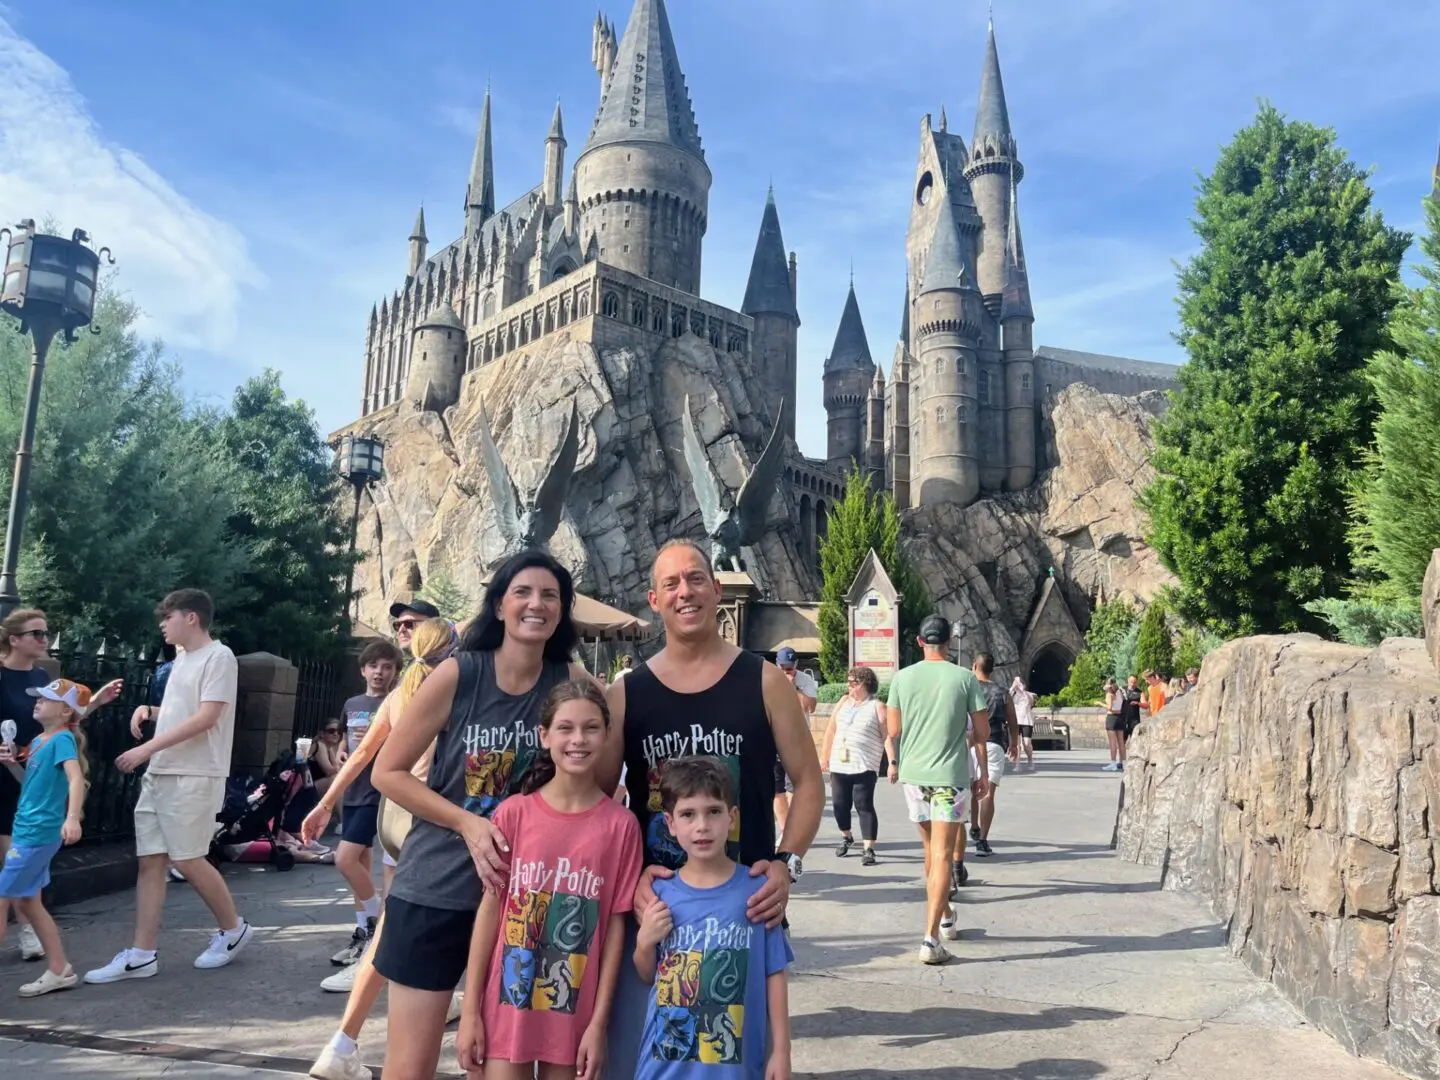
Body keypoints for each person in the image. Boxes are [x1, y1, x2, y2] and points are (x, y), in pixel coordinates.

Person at [599, 538, 821, 1079]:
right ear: (654, 599)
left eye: (696, 578)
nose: (685, 592)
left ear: (716, 590)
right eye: (671, 583)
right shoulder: (628, 694)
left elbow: (810, 783)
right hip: (657, 920)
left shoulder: (765, 681)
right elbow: (599, 807)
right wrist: (629, 879)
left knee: (736, 1061)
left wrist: (787, 864)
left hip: (744, 911)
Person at [371, 550, 589, 1080]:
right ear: (498, 606)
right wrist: (468, 823)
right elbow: (388, 772)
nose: (536, 604)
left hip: (521, 902)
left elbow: (598, 771)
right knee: (411, 1064)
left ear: (561, 613)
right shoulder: (459, 674)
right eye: (523, 593)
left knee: (490, 1064)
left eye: (549, 596)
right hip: (436, 888)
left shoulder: (568, 681)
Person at [455, 679, 642, 1080]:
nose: (579, 739)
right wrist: (470, 1012)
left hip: (574, 1019)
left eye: (592, 728)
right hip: (506, 1011)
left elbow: (613, 928)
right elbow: (490, 913)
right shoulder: (512, 815)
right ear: (544, 735)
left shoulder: (621, 827)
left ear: (607, 734)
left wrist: (598, 1024)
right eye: (566, 727)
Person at [305, 618, 459, 1080]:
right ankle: (351, 1041)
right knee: (411, 928)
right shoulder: (455, 688)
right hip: (431, 819)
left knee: (396, 923)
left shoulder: (399, 693)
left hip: (394, 817)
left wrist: (324, 804)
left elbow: (361, 754)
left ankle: (344, 1041)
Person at [85, 589, 252, 983]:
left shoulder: (219, 657)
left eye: (168, 616)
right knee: (152, 861)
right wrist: (152, 711)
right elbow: (185, 712)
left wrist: (146, 748)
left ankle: (234, 929)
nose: (163, 623)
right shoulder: (182, 659)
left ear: (191, 617)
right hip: (163, 772)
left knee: (188, 858)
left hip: (194, 773)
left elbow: (208, 717)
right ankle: (142, 954)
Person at [631, 757, 793, 1080]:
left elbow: (774, 973)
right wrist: (644, 941)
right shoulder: (660, 891)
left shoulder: (758, 892)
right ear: (670, 823)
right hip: (665, 1064)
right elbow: (647, 973)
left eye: (713, 812)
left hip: (734, 1066)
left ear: (732, 818)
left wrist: (782, 1051)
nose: (701, 826)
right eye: (688, 814)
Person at [0, 609, 119, 962]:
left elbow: (63, 722)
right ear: (14, 639)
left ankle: (29, 932)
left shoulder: (41, 676)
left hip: (26, 780)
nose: (44, 640)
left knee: (13, 862)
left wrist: (94, 702)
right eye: (36, 633)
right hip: (8, 769)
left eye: (46, 633)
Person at [886, 614, 990, 965]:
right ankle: (930, 939)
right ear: (949, 643)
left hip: (914, 776)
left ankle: (945, 915)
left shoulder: (902, 678)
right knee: (944, 854)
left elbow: (894, 728)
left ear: (919, 642)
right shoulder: (965, 678)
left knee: (930, 849)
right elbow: (983, 732)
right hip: (949, 776)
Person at [0, 678, 90, 996]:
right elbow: (31, 783)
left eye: (45, 698)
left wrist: (72, 817)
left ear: (65, 710)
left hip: (35, 834)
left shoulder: (62, 740)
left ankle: (59, 969)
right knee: (29, 902)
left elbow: (75, 777)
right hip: (30, 831)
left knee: (2, 898)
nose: (37, 701)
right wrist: (12, 764)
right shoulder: (39, 741)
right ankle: (59, 969)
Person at [328, 641, 403, 969]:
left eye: (387, 667)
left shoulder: (397, 702)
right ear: (363, 670)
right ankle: (363, 930)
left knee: (343, 859)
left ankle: (373, 925)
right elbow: (345, 737)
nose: (379, 672)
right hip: (353, 788)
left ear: (395, 673)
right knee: (358, 859)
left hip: (377, 790)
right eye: (374, 666)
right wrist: (342, 750)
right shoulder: (352, 702)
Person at [820, 665, 891, 865]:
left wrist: (892, 763)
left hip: (865, 763)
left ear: (865, 684)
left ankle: (868, 848)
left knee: (863, 804)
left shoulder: (877, 706)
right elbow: (831, 729)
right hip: (839, 764)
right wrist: (825, 757)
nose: (849, 687)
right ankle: (847, 836)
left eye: (853, 683)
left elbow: (887, 737)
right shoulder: (844, 701)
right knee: (839, 805)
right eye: (849, 683)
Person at [970, 653, 1018, 858]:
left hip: (970, 742)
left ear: (974, 666)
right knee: (988, 791)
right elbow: (1013, 721)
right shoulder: (1002, 692)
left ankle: (973, 826)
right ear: (992, 669)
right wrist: (1014, 743)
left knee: (972, 786)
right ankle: (982, 841)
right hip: (994, 742)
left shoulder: (968, 689)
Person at [771, 647, 816, 834]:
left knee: (794, 788)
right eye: (782, 667)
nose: (785, 672)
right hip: (773, 740)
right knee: (777, 789)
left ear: (796, 665)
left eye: (789, 668)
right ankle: (785, 829)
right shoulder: (769, 678)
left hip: (796, 741)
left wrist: (793, 688)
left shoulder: (806, 681)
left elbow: (810, 707)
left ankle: (792, 827)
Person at [1105, 676, 1142, 772]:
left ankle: (1113, 763)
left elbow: (1109, 708)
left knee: (1113, 742)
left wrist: (1100, 704)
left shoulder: (1110, 694)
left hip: (1112, 718)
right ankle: (1124, 762)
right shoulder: (1121, 693)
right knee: (1121, 742)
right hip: (1121, 718)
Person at [310, 720, 347, 800]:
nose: (336, 734)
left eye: (339, 732)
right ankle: (339, 812)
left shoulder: (331, 747)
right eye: (331, 731)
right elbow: (329, 771)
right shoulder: (320, 745)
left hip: (318, 786)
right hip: (309, 788)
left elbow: (336, 768)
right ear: (322, 734)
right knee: (335, 779)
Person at [1010, 676, 1037, 771]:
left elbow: (1031, 702)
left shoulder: (1029, 694)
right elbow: (1006, 697)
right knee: (1017, 744)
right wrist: (1013, 688)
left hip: (1026, 721)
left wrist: (1022, 691)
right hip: (1016, 721)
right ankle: (1017, 764)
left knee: (1026, 743)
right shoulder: (1012, 695)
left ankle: (1030, 759)